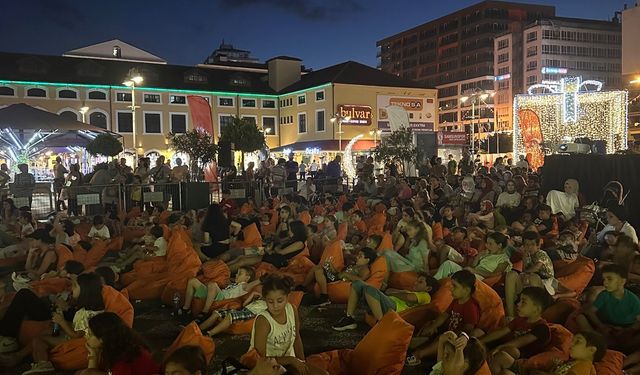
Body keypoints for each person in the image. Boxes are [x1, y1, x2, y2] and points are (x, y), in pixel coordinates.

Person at [23, 273, 106, 375]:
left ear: (85, 291)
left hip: (72, 342)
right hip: (71, 335)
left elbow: (76, 336)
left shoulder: (87, 315)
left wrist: (61, 322)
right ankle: (38, 363)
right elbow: (78, 326)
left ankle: (44, 365)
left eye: (75, 286)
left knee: (38, 339)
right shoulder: (92, 310)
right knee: (44, 333)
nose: (71, 289)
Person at [246, 274, 327, 375]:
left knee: (322, 374)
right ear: (265, 299)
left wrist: (302, 362)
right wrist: (291, 360)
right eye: (270, 302)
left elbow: (296, 338)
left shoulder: (292, 309)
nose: (275, 306)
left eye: (280, 301)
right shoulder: (264, 321)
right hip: (268, 368)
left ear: (288, 297)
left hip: (287, 362)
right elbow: (261, 359)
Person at [406, 270, 481, 365]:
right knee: (431, 324)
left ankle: (420, 354)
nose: (451, 288)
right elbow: (445, 315)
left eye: (455, 286)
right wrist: (433, 326)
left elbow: (469, 328)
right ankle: (416, 342)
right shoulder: (456, 300)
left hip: (457, 339)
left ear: (466, 290)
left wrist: (454, 335)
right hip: (447, 331)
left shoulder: (471, 306)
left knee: (442, 341)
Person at [332, 271, 438, 331]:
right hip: (386, 303)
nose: (415, 283)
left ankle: (381, 324)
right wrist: (393, 292)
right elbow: (392, 291)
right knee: (357, 284)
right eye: (416, 280)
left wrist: (392, 293)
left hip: (394, 309)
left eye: (420, 282)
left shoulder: (425, 296)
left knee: (369, 289)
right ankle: (349, 317)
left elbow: (408, 298)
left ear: (428, 288)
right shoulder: (410, 291)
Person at [481, 287, 553, 375]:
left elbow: (519, 342)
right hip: (507, 350)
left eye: (523, 302)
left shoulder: (542, 328)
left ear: (536, 309)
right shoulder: (520, 319)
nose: (518, 304)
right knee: (480, 336)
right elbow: (503, 331)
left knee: (510, 351)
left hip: (521, 361)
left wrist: (498, 348)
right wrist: (480, 340)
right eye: (519, 301)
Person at [576, 264, 640, 349]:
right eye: (604, 279)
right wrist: (602, 326)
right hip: (605, 326)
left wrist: (626, 330)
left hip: (624, 330)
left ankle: (607, 343)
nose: (605, 282)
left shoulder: (633, 300)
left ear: (622, 281)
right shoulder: (604, 295)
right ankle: (597, 340)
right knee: (580, 318)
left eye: (609, 279)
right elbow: (591, 312)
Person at [76, 312, 160, 375]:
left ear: (103, 339)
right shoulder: (119, 345)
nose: (86, 336)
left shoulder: (123, 359)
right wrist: (93, 354)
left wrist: (92, 359)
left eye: (90, 334)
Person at [504, 231, 557, 318]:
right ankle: (510, 316)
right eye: (526, 245)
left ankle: (533, 316)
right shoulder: (527, 255)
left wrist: (524, 274)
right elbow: (525, 270)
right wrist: (525, 259)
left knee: (532, 277)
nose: (529, 247)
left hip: (545, 284)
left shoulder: (541, 254)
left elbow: (536, 268)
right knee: (511, 274)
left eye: (532, 244)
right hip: (530, 280)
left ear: (538, 245)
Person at [303, 247, 377, 307]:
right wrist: (331, 268)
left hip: (338, 281)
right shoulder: (355, 265)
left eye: (360, 256)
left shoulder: (364, 269)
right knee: (318, 267)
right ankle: (303, 287)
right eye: (358, 255)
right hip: (336, 277)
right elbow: (339, 273)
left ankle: (324, 296)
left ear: (367, 260)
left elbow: (361, 281)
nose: (357, 257)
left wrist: (346, 274)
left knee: (318, 271)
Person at [181, 266, 260, 317]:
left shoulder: (244, 285)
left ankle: (204, 312)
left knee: (213, 284)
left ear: (247, 278)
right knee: (192, 281)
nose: (236, 275)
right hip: (214, 295)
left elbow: (253, 283)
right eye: (236, 273)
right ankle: (185, 309)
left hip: (222, 299)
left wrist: (261, 280)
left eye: (240, 274)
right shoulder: (235, 284)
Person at [530, 331, 606, 375]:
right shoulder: (572, 362)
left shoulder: (585, 365)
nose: (571, 344)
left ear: (591, 350)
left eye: (577, 342)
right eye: (572, 341)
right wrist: (552, 366)